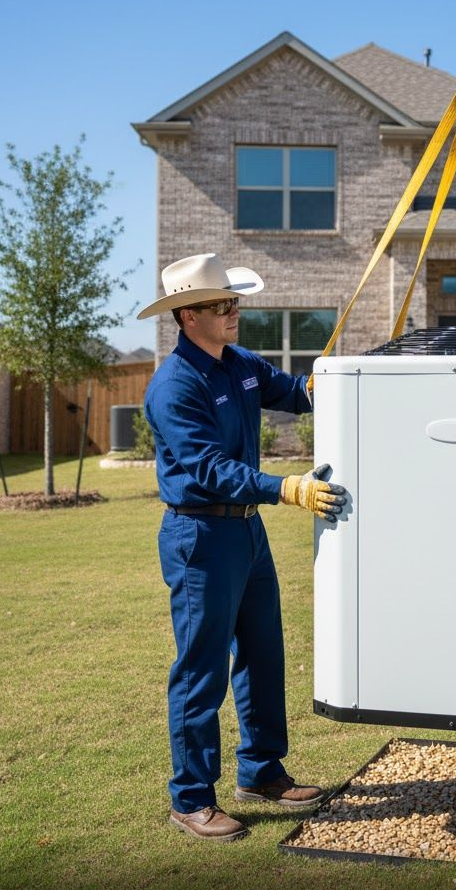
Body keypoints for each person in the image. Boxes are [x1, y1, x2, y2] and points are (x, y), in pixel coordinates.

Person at [137, 253, 348, 843]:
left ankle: (260, 772)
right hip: (200, 537)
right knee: (200, 670)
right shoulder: (173, 386)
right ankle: (190, 799)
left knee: (261, 652)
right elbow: (206, 468)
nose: (233, 311)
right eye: (219, 305)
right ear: (186, 316)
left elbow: (297, 393)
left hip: (246, 534)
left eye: (234, 302)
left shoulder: (240, 364)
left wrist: (332, 379)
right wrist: (287, 487)